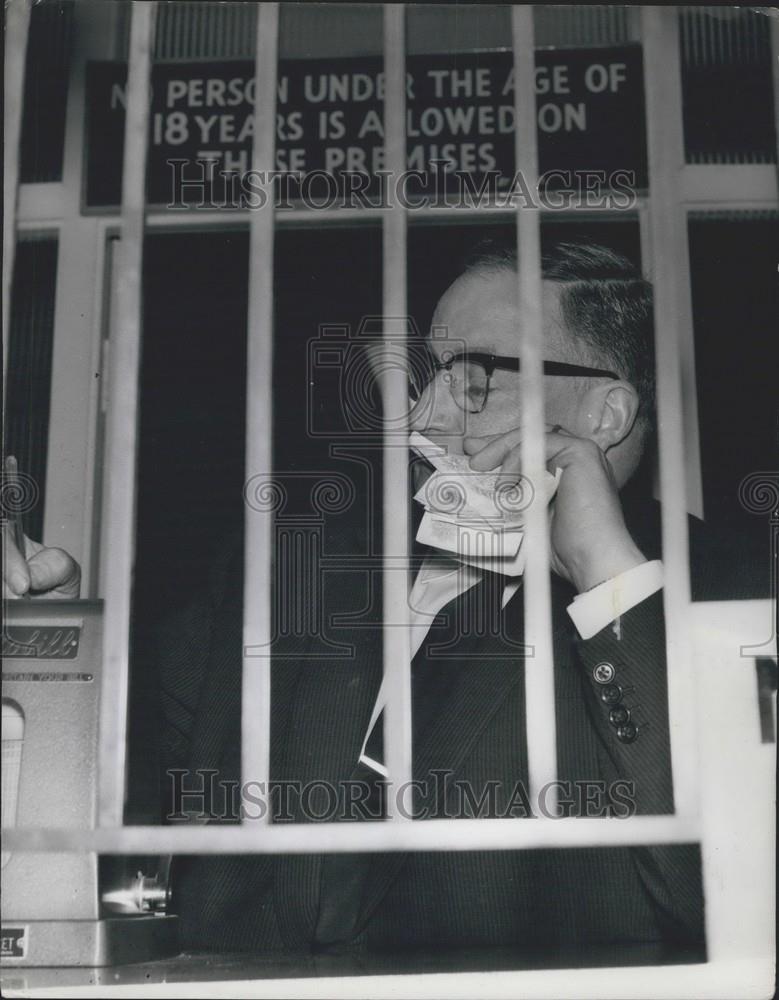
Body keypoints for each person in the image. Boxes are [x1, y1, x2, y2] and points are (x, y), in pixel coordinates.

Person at [3, 241, 763, 960]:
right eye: (425, 376)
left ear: (605, 414)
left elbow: (739, 893)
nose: (424, 416)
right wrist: (52, 646)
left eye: (473, 379)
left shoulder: (725, 593)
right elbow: (122, 774)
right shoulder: (301, 564)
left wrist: (606, 577)